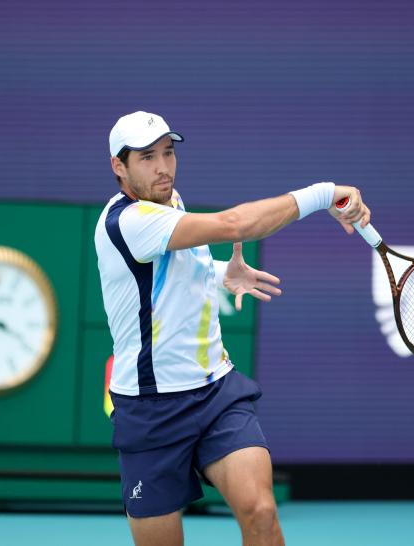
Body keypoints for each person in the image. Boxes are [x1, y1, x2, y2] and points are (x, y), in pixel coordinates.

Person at [95, 111, 370, 546]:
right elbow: (234, 225)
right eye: (147, 157)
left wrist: (220, 272)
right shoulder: (129, 221)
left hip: (214, 394)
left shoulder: (170, 198)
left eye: (168, 153)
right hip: (150, 410)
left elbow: (168, 273)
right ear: (118, 166)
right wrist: (324, 194)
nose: (163, 167)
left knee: (261, 511)